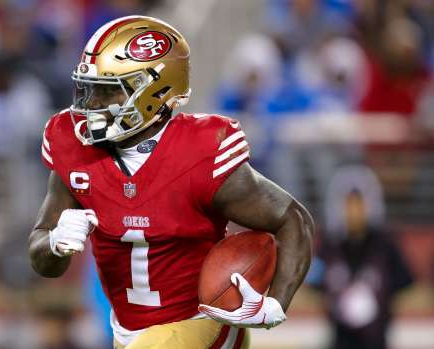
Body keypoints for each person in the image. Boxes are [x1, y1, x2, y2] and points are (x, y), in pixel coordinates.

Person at [28, 16, 314, 349]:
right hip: (130, 333)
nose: (92, 106)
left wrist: (275, 304)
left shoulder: (199, 153)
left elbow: (293, 219)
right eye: (90, 91)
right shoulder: (74, 148)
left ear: (154, 92)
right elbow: (42, 259)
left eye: (108, 93)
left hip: (199, 322)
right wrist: (55, 243)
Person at [310, 166, 413, 349]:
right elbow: (314, 282)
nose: (354, 211)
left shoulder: (385, 244)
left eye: (359, 204)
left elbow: (406, 283)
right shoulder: (330, 245)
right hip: (340, 339)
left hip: (376, 340)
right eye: (349, 204)